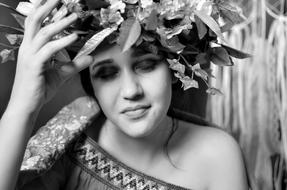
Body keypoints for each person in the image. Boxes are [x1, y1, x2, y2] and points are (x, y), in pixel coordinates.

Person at [0, 0, 249, 189]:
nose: (131, 91)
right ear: (91, 83)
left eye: (147, 66)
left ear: (175, 68)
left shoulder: (217, 155)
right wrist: (23, 107)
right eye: (107, 75)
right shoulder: (75, 123)